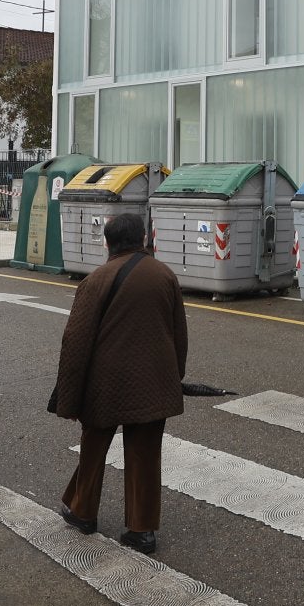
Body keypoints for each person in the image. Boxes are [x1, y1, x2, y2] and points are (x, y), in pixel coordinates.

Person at [53, 213, 187, 555]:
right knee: (144, 455)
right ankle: (142, 531)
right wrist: (174, 377)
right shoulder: (165, 275)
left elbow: (76, 343)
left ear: (107, 242)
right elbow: (178, 334)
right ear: (143, 238)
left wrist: (69, 401)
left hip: (105, 384)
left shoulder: (96, 280)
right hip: (153, 380)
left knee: (94, 447)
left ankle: (83, 512)